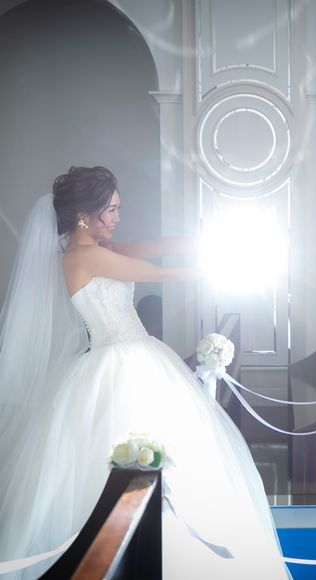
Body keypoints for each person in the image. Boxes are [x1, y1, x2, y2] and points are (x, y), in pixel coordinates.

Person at [0, 166, 291, 578]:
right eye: (110, 210)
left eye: (118, 208)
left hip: (136, 357)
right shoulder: (85, 256)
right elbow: (157, 273)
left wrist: (211, 242)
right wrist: (225, 270)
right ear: (83, 215)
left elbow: (153, 248)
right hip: (122, 364)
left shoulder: (95, 247)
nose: (117, 217)